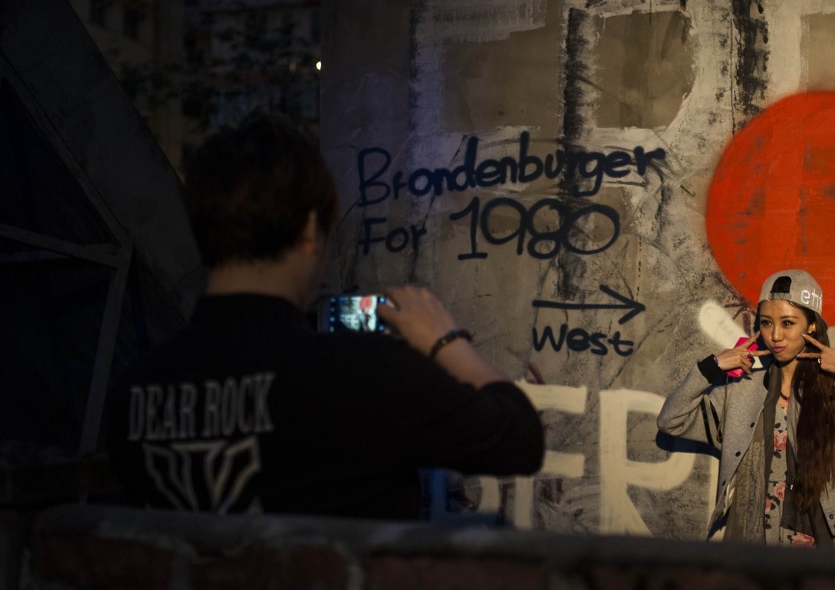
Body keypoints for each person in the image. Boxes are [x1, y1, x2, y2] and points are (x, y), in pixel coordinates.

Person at [105, 113, 544, 520]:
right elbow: (518, 441)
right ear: (309, 233)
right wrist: (444, 339)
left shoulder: (133, 393)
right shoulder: (364, 374)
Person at [657, 269, 835, 545]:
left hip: (821, 549)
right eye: (766, 323)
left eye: (787, 323)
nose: (775, 335)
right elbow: (670, 421)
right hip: (752, 548)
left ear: (811, 326)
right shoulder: (741, 393)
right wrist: (712, 366)